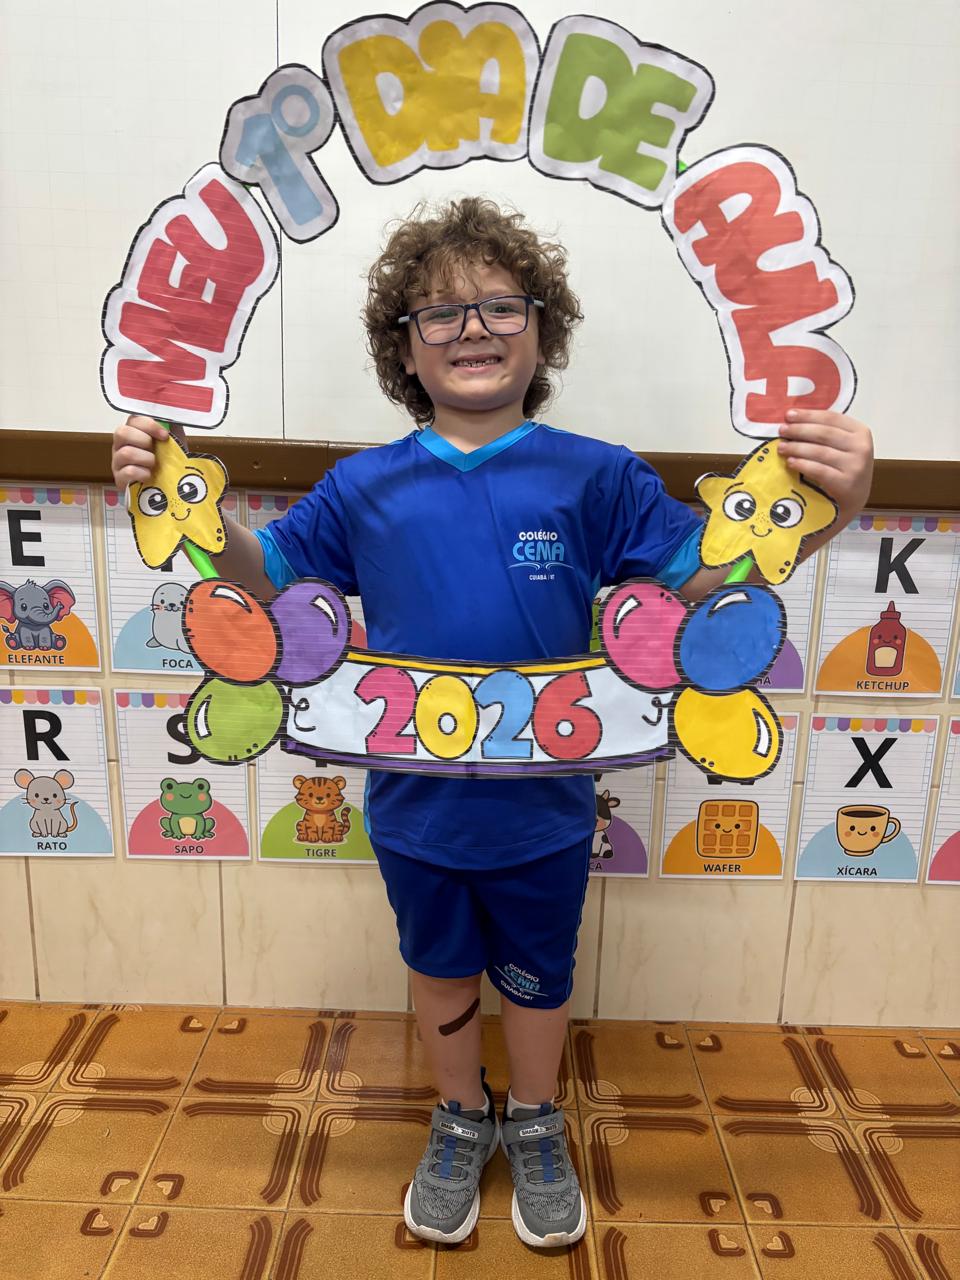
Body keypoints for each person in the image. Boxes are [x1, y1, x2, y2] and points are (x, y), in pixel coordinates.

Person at [111, 197, 874, 1248]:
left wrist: (832, 510)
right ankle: (462, 1114)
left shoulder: (597, 474)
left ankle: (537, 1116)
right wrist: (176, 503)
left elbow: (702, 582)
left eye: (500, 306)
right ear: (404, 349)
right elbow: (266, 579)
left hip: (548, 809)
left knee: (540, 972)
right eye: (439, 312)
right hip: (414, 807)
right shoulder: (362, 486)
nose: (472, 328)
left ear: (542, 330)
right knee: (437, 965)